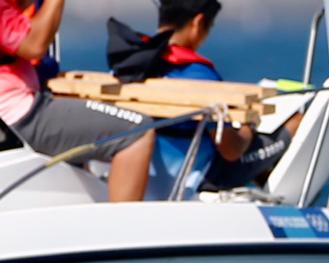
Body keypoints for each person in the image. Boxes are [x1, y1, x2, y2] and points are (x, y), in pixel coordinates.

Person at [107, 0, 299, 199]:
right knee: (296, 120)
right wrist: (247, 128)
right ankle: (284, 203)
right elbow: (231, 150)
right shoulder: (200, 75)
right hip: (196, 178)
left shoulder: (129, 65)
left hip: (139, 173)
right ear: (198, 23)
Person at [1, 0, 153, 201]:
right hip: (17, 114)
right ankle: (120, 229)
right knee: (137, 132)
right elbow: (34, 45)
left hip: (16, 110)